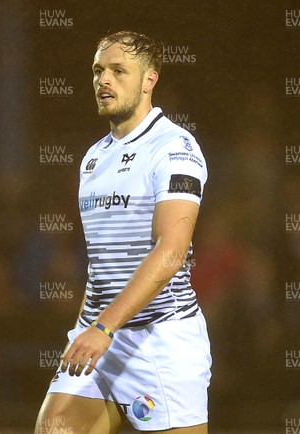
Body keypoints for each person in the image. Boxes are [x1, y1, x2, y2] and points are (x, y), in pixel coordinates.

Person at [35, 30, 211, 433]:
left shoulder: (175, 147)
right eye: (98, 71)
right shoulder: (93, 158)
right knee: (55, 427)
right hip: (100, 334)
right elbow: (101, 263)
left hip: (160, 340)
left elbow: (171, 251)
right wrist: (87, 324)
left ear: (150, 79)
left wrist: (102, 328)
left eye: (118, 70)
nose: (104, 80)